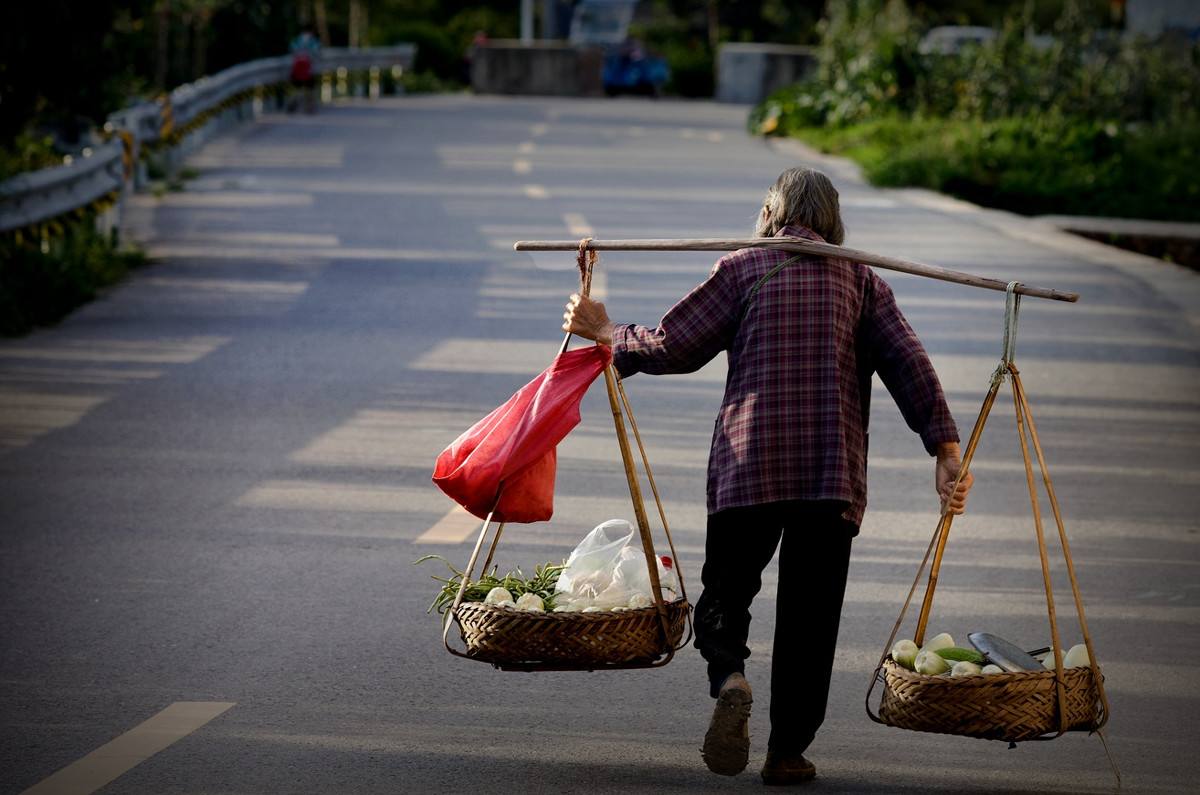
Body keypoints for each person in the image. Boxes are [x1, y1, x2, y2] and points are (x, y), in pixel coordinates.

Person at [562, 167, 974, 785]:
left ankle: (730, 676)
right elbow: (908, 363)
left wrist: (605, 333)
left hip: (747, 467)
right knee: (812, 618)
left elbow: (674, 344)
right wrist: (944, 447)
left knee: (726, 595)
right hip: (829, 477)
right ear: (833, 223)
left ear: (771, 216)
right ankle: (787, 753)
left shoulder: (742, 270)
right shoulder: (861, 279)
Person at [289, 28, 321, 113]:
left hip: (297, 69)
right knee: (310, 89)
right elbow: (316, 53)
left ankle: (294, 104)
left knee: (298, 89)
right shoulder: (313, 42)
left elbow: (292, 51)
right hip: (308, 70)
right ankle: (309, 107)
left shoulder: (296, 41)